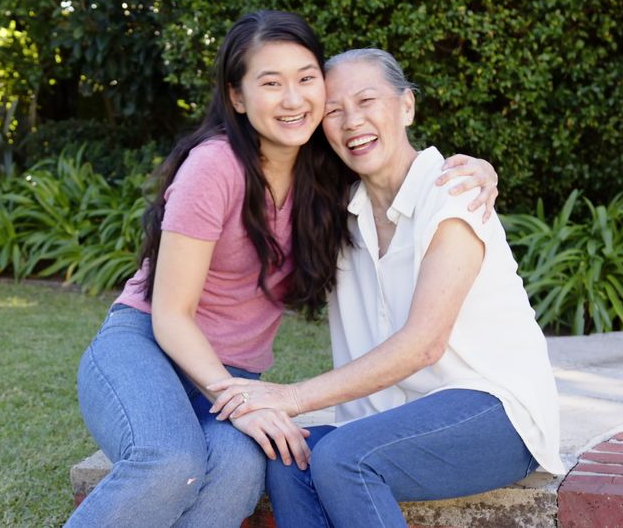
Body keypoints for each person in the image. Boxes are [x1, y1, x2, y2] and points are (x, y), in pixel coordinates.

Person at [66, 13, 500, 527]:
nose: (293, 99)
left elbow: (397, 167)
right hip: (146, 349)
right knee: (171, 461)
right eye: (271, 83)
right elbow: (171, 314)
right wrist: (242, 401)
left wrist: (479, 169)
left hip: (234, 377)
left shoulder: (329, 173)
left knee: (237, 471)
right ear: (238, 97)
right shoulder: (215, 165)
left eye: (305, 78)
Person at [209, 48, 564, 528]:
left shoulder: (452, 195)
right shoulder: (330, 216)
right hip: (387, 422)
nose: (352, 121)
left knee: (344, 457)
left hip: (495, 416)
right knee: (288, 454)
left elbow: (424, 345)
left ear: (407, 106)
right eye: (333, 110)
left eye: (367, 100)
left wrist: (289, 397)